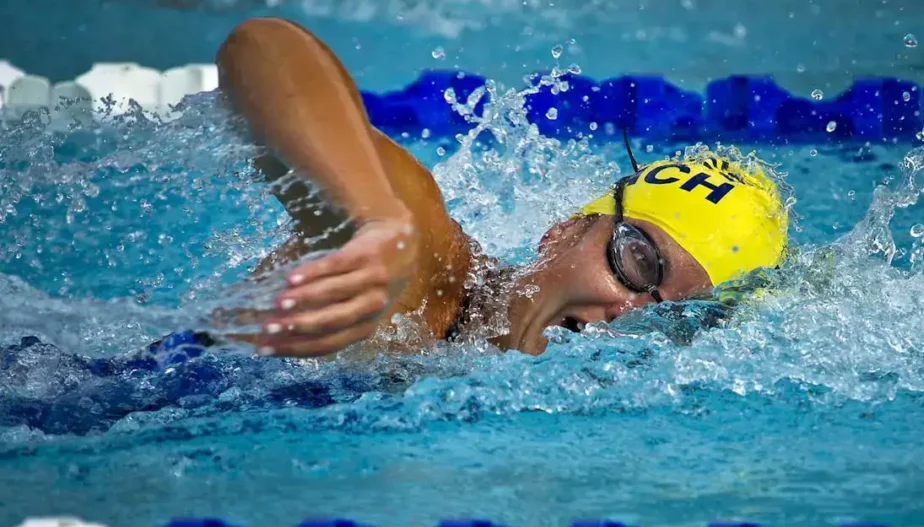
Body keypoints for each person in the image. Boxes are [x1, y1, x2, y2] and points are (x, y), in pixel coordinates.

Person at [211, 17, 790, 358]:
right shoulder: (421, 269)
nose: (628, 311)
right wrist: (375, 217)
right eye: (639, 262)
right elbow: (263, 50)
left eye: (676, 318)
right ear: (563, 231)